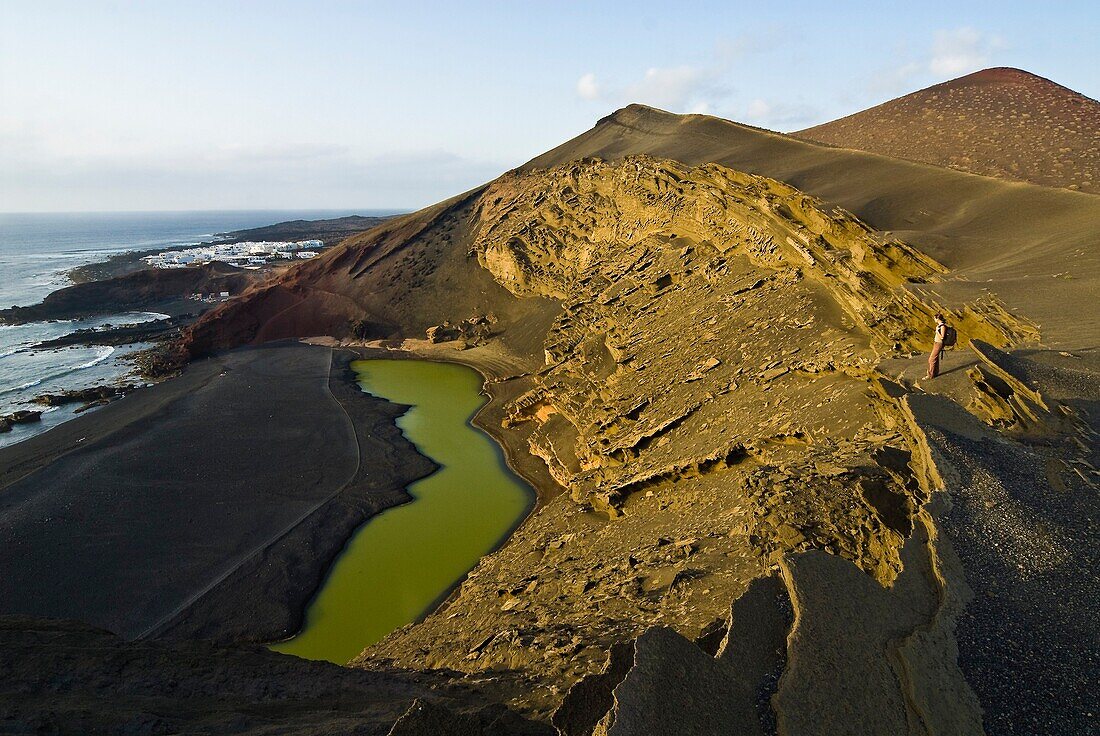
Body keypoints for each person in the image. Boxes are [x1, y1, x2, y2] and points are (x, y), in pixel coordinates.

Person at [925, 314, 948, 379]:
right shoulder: (939, 326)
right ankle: (935, 373)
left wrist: (937, 331)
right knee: (935, 358)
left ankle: (930, 375)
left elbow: (942, 337)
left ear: (937, 318)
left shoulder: (942, 326)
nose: (934, 319)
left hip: (939, 343)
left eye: (935, 318)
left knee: (931, 359)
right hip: (936, 343)